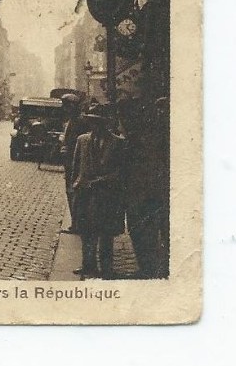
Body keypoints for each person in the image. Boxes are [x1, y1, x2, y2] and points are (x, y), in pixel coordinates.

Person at [70, 105, 126, 279]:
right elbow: (76, 166)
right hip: (85, 194)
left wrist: (102, 181)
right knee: (85, 232)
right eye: (92, 122)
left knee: (106, 234)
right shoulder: (82, 140)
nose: (95, 126)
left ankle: (107, 268)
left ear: (105, 124)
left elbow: (120, 171)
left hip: (105, 195)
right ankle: (88, 265)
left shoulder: (117, 142)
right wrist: (75, 186)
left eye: (98, 122)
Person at [120, 96, 170, 279]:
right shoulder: (138, 135)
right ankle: (148, 268)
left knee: (145, 233)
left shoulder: (142, 137)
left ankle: (150, 269)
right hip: (139, 194)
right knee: (139, 232)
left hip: (145, 194)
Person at [59, 93, 89, 230]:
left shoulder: (80, 121)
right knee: (71, 191)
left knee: (74, 191)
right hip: (70, 160)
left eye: (67, 106)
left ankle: (77, 223)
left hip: (75, 161)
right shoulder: (72, 120)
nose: (64, 110)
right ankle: (75, 221)